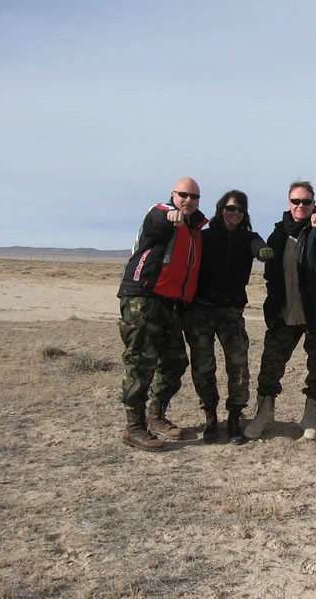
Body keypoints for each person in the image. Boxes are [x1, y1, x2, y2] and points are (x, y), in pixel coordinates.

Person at [244, 181, 316, 442]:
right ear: (289, 203)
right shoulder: (279, 235)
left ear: (314, 204)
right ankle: (264, 415)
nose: (301, 206)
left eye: (306, 202)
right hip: (285, 315)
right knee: (270, 367)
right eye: (296, 201)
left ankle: (310, 418)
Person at [117, 177, 207, 450]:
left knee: (175, 362)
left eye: (193, 196)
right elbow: (157, 218)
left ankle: (156, 415)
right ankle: (134, 427)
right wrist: (170, 215)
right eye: (183, 195)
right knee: (140, 363)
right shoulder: (161, 214)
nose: (188, 200)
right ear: (173, 195)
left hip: (170, 303)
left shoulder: (195, 230)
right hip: (143, 298)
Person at [183, 190, 274, 445]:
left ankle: (234, 417)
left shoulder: (249, 237)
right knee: (203, 367)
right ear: (221, 209)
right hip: (200, 310)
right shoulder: (205, 237)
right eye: (231, 208)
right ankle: (211, 417)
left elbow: (259, 246)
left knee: (239, 366)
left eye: (240, 210)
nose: (235, 213)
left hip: (231, 313)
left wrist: (263, 251)